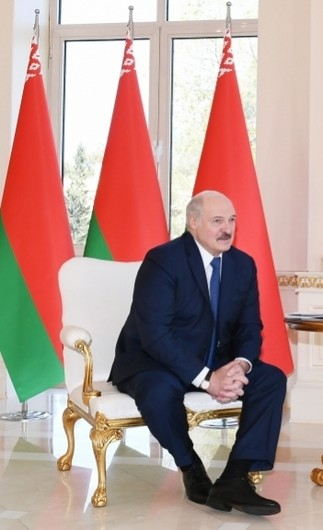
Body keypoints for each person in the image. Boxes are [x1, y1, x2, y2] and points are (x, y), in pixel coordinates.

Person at [110, 190, 286, 516]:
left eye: (231, 220)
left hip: (216, 360)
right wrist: (208, 379)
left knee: (271, 379)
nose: (227, 229)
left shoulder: (242, 265)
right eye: (217, 221)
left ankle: (236, 477)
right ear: (193, 222)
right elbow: (156, 336)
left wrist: (240, 366)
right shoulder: (163, 261)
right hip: (155, 360)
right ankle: (191, 468)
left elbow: (250, 327)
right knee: (158, 391)